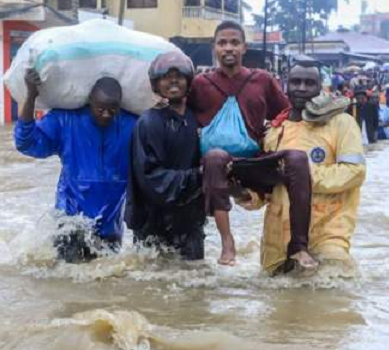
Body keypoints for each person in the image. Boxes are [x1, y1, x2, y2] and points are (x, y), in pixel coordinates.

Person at [188, 21, 317, 271]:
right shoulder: (200, 84)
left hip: (254, 162)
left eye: (234, 42)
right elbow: (182, 114)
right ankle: (227, 242)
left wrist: (323, 112)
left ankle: (299, 245)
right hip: (218, 167)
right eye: (222, 43)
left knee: (298, 159)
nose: (228, 48)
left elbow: (287, 115)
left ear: (244, 47)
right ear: (214, 47)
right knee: (215, 157)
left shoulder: (262, 80)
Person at [237, 63, 366, 275]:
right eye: (296, 82)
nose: (302, 88)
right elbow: (266, 191)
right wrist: (242, 192)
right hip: (277, 238)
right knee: (276, 293)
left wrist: (300, 176)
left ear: (320, 87)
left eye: (309, 83)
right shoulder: (274, 130)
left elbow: (354, 172)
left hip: (328, 232)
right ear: (285, 86)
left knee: (333, 285)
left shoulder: (341, 123)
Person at [14, 69, 137, 263]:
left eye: (112, 109)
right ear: (89, 101)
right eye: (100, 109)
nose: (106, 114)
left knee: (108, 279)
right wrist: (31, 96)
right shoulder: (66, 120)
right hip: (70, 222)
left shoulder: (132, 126)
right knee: (69, 277)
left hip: (110, 227)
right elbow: (26, 142)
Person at [125, 51, 205, 260]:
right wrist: (197, 176)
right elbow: (150, 178)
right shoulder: (148, 122)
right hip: (153, 223)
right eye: (166, 77)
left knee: (195, 276)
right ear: (156, 84)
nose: (173, 81)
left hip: (190, 224)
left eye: (179, 76)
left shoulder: (196, 119)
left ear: (189, 81)